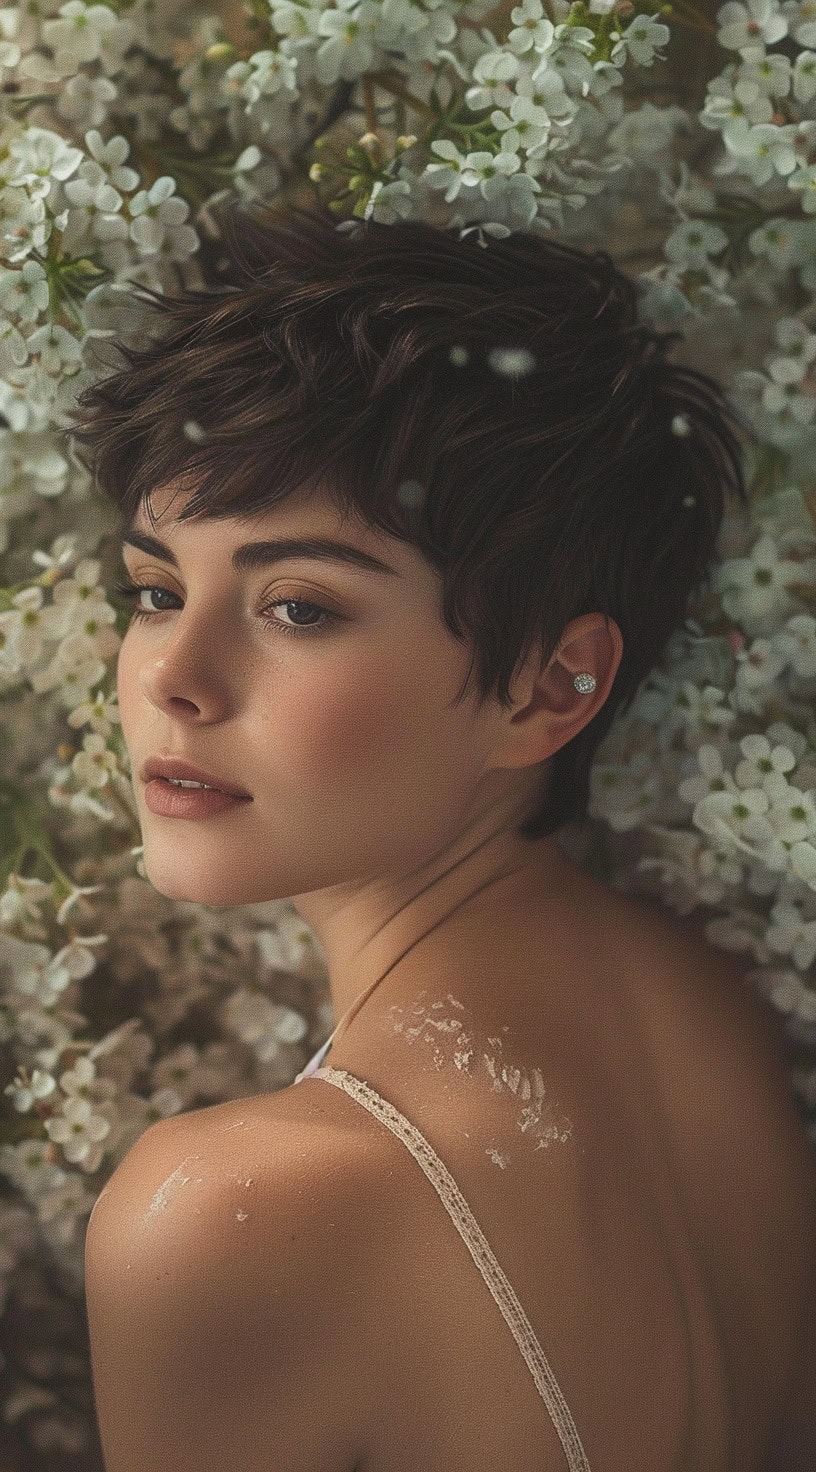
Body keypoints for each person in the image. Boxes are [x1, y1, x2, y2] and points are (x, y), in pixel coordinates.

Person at [70, 204, 814, 1472]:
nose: (174, 679)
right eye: (156, 591)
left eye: (298, 605)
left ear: (550, 688)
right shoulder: (707, 998)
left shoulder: (226, 1215)